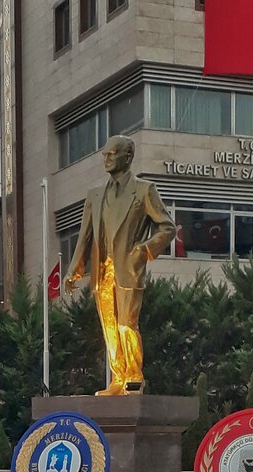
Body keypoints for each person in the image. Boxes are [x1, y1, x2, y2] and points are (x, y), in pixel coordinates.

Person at [64, 135, 175, 395]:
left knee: (127, 323)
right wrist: (73, 270)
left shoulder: (144, 190)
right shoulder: (95, 195)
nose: (106, 159)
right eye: (104, 154)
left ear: (128, 156)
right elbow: (85, 236)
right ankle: (118, 378)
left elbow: (167, 228)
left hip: (128, 268)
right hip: (103, 272)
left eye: (112, 154)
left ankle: (134, 376)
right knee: (110, 328)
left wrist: (144, 250)